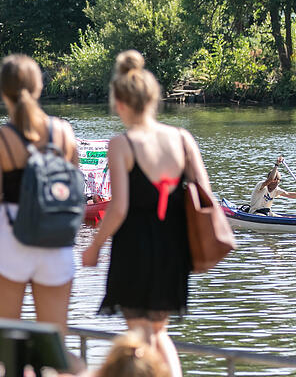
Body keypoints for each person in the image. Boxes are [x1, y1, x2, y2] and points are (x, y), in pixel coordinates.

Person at [81, 50, 212, 377]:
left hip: (134, 249)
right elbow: (205, 194)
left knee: (139, 335)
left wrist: (95, 246)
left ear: (120, 104)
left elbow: (119, 208)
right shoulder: (183, 139)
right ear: (154, 98)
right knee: (159, 334)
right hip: (173, 248)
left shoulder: (122, 144)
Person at [0, 54, 79, 334]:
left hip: (10, 245)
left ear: (2, 92)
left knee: (8, 344)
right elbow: (73, 195)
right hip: (55, 244)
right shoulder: (65, 134)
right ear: (39, 88)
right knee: (55, 345)